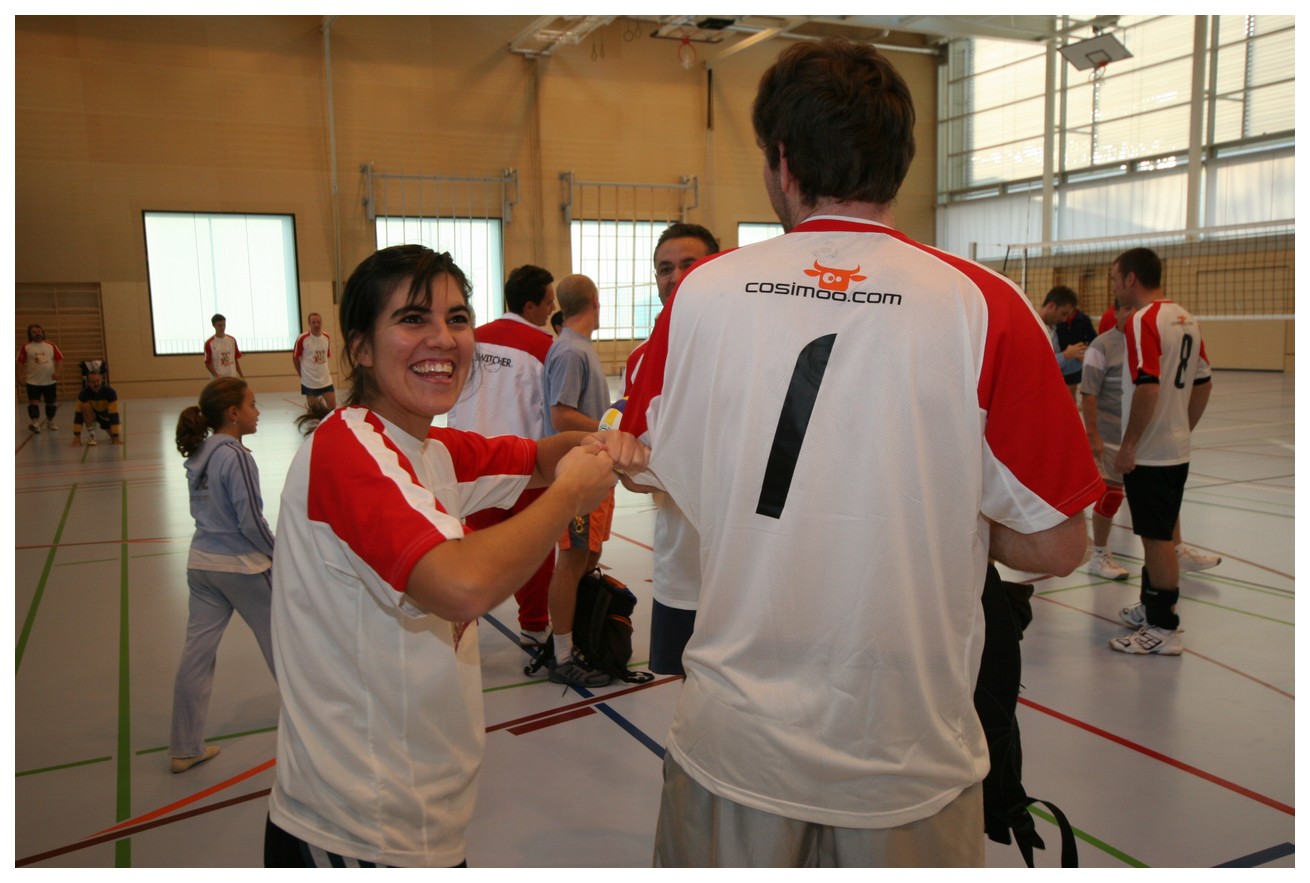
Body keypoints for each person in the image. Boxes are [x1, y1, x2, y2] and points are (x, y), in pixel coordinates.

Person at [622, 38, 1101, 867]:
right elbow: (1059, 543)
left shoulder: (699, 293)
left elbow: (638, 459)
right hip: (908, 758)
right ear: (898, 160)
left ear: (782, 162)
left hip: (735, 747)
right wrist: (934, 511)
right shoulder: (985, 305)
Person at [264, 245, 646, 868]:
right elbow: (459, 585)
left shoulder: (428, 447)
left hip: (418, 820)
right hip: (358, 829)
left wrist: (606, 444)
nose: (443, 338)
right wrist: (570, 496)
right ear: (361, 348)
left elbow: (538, 456)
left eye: (458, 318)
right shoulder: (347, 449)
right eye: (413, 319)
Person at [623, 222, 720, 676]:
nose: (675, 277)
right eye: (665, 268)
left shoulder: (751, 347)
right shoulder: (641, 360)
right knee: (686, 688)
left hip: (749, 567)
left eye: (689, 264)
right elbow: (635, 471)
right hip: (681, 564)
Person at [447, 264, 558, 649]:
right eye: (548, 302)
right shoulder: (545, 347)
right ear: (530, 306)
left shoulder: (471, 340)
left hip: (472, 464)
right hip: (525, 466)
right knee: (535, 551)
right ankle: (534, 627)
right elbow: (552, 414)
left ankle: (462, 625)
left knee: (473, 549)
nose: (552, 309)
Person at [1109, 247, 1213, 656]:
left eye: (1115, 278)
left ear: (1131, 279)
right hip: (1175, 447)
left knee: (1156, 539)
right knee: (1160, 532)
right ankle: (1149, 606)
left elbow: (1148, 386)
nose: (1114, 287)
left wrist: (1129, 445)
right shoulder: (1186, 318)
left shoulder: (1143, 320)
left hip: (1151, 454)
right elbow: (1203, 382)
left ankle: (1164, 628)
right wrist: (1182, 427)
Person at [169, 377, 276, 773]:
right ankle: (320, 729)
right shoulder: (236, 455)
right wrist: (280, 555)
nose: (257, 412)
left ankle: (185, 748)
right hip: (242, 567)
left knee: (196, 658)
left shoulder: (200, 454)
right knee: (285, 646)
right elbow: (250, 521)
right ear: (233, 413)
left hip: (202, 565)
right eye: (252, 404)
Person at [1082, 301, 1220, 581]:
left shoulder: (1151, 340)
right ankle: (1099, 555)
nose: (1132, 314)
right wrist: (1093, 435)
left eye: (1135, 309)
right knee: (1111, 496)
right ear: (1115, 313)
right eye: (1126, 310)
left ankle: (1177, 550)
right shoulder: (1101, 346)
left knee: (1162, 498)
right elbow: (1088, 393)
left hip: (1146, 436)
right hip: (1112, 438)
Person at [540, 273, 616, 687]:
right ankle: (563, 655)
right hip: (577, 474)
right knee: (571, 561)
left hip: (595, 474)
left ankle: (574, 634)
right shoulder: (570, 350)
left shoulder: (580, 347)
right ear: (595, 301)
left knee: (587, 557)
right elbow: (561, 414)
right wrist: (610, 429)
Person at [1039, 286, 1087, 394]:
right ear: (1051, 306)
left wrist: (1078, 358)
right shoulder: (1032, 327)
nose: (1064, 319)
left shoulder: (1053, 330)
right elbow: (1038, 365)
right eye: (1063, 313)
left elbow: (1058, 368)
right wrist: (1066, 355)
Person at [18, 323, 63, 433]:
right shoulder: (26, 347)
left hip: (49, 381)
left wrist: (57, 372)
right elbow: (19, 362)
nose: (37, 333)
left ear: (42, 333)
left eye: (39, 331)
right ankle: (35, 424)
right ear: (30, 334)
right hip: (33, 381)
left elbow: (59, 359)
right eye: (34, 332)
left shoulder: (51, 345)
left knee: (51, 403)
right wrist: (20, 376)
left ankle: (50, 422)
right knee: (33, 403)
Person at [71, 363, 124, 446]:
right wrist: (77, 436)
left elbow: (114, 414)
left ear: (101, 380)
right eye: (93, 382)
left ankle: (112, 433)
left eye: (98, 381)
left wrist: (116, 435)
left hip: (106, 416)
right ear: (88, 383)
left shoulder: (110, 392)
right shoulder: (83, 394)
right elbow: (78, 414)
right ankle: (92, 435)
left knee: (113, 436)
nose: (96, 384)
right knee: (85, 406)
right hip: (93, 414)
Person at [292, 312, 336, 411]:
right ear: (309, 324)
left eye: (318, 322)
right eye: (313, 322)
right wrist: (301, 374)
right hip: (309, 382)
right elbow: (295, 358)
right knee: (314, 411)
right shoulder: (302, 338)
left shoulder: (326, 337)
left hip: (326, 381)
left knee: (332, 407)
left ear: (321, 323)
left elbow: (325, 357)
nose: (316, 325)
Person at [1056, 305, 1097, 396]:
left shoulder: (1083, 319)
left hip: (1075, 362)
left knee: (1070, 391)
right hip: (1060, 358)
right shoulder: (1057, 318)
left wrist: (1085, 353)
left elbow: (1093, 340)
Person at [204, 313, 244, 379]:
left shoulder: (232, 340)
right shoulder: (209, 343)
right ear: (214, 325)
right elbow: (208, 363)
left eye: (224, 325)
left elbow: (235, 359)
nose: (222, 327)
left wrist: (241, 376)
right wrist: (216, 376)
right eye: (219, 325)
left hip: (232, 377)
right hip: (218, 379)